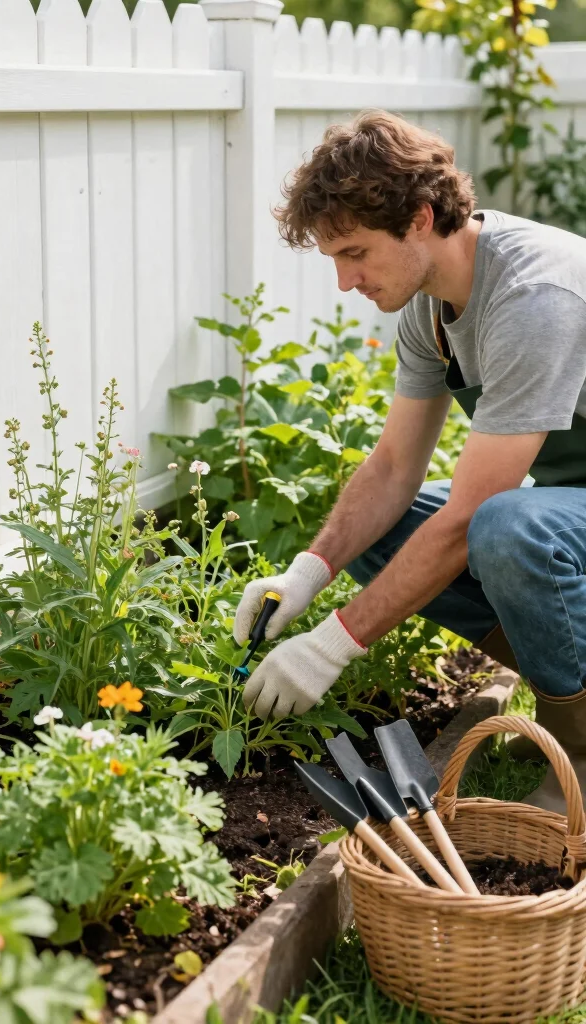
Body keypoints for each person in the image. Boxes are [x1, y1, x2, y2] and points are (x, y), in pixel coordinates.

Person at [234, 109, 586, 814]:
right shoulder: (429, 312)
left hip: (562, 512)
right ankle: (573, 694)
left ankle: (578, 747)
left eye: (355, 253)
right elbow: (395, 468)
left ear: (421, 218)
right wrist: (307, 573)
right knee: (380, 534)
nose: (344, 281)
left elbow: (465, 524)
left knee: (506, 528)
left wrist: (331, 646)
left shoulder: (532, 293)